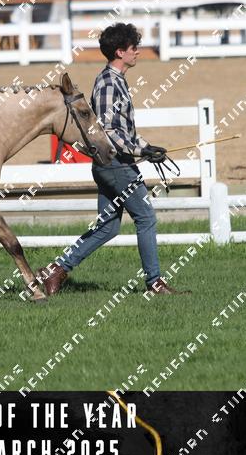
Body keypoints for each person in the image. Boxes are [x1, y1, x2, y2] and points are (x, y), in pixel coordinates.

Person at [37, 23, 191, 297]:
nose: (138, 52)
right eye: (133, 48)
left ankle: (57, 269)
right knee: (146, 218)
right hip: (116, 165)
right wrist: (139, 151)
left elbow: (124, 130)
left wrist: (146, 147)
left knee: (107, 228)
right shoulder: (109, 83)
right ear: (120, 52)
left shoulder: (115, 80)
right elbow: (108, 131)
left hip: (112, 165)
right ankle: (155, 282)